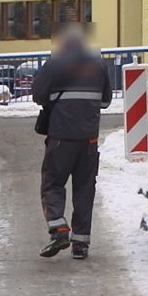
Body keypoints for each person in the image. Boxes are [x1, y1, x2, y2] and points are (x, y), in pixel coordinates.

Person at [30, 23, 114, 259]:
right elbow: (106, 101)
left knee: (52, 183)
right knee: (85, 189)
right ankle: (81, 244)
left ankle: (58, 229)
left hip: (61, 138)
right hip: (89, 139)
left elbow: (38, 95)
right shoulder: (98, 64)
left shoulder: (55, 63)